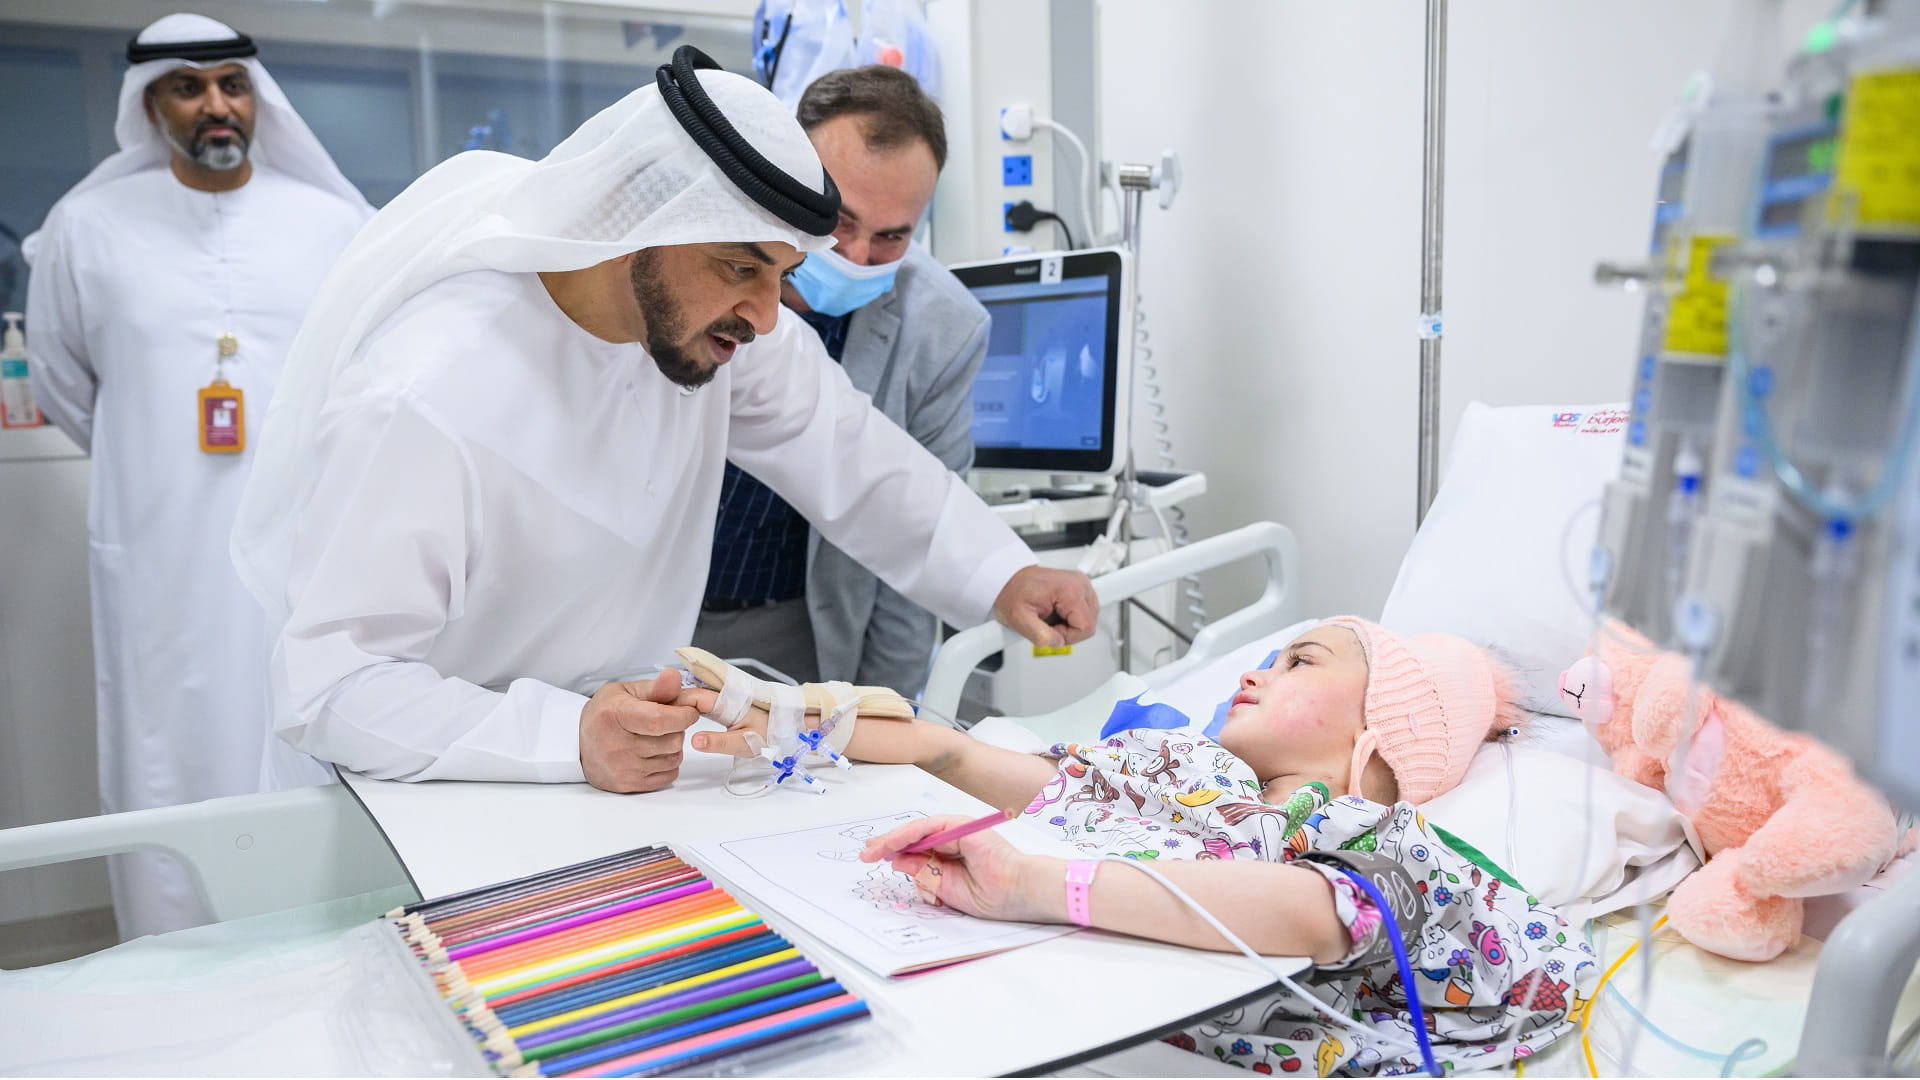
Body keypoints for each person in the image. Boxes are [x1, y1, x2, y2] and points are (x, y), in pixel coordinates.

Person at [228, 47, 1097, 794]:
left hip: (623, 777)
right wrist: (562, 737)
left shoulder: (714, 328)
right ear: (639, 223)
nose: (765, 315)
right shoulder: (423, 398)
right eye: (739, 268)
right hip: (440, 788)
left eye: (781, 275)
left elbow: (856, 457)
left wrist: (1000, 574)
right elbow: (332, 687)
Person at [690, 617, 1600, 1075]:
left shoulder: (1373, 834)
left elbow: (1310, 915)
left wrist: (1036, 884)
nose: (1253, 669)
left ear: (1382, 736)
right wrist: (795, 720)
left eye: (1300, 663)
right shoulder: (1178, 774)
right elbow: (961, 753)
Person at [23, 13, 372, 939]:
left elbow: (369, 376)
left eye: (233, 84)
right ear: (151, 106)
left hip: (304, 551)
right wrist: (151, 457)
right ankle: (172, 951)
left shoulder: (333, 224)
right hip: (158, 553)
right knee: (165, 747)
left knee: (303, 731)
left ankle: (321, 945)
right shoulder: (85, 228)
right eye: (189, 87)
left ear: (258, 98)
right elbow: (62, 381)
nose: (216, 105)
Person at [695, 65, 986, 694]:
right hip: (651, 598)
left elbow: (913, 544)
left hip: (796, 624)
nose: (855, 258)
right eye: (840, 221)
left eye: (891, 236)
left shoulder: (943, 327)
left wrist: (897, 724)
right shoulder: (701, 262)